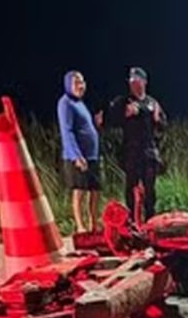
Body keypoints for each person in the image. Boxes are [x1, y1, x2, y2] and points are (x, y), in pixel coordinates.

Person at [103, 66, 166, 222]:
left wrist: (158, 120)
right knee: (131, 186)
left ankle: (150, 218)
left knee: (149, 187)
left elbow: (163, 125)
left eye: (137, 81)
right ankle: (131, 219)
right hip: (131, 150)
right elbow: (110, 120)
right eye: (131, 81)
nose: (133, 84)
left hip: (149, 151)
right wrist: (125, 114)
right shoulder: (123, 101)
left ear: (144, 82)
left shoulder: (152, 102)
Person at [56, 70, 101, 232]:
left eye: (82, 82)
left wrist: (96, 124)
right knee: (80, 190)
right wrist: (76, 156)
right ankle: (80, 226)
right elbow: (66, 131)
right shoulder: (65, 103)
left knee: (95, 189)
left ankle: (93, 224)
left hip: (92, 154)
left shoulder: (80, 103)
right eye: (76, 83)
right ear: (68, 84)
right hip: (78, 155)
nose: (80, 86)